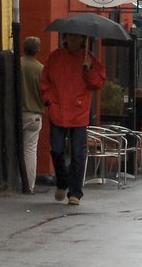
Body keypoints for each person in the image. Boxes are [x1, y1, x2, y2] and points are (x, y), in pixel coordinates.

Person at [40, 33, 106, 206]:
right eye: (72, 37)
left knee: (78, 154)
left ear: (83, 40)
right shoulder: (55, 57)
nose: (75, 41)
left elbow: (97, 84)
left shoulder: (88, 59)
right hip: (58, 110)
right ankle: (62, 182)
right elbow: (45, 81)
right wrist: (49, 100)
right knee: (57, 150)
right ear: (66, 38)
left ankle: (75, 192)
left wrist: (88, 69)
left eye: (78, 38)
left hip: (78, 112)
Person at [20, 36, 45, 194]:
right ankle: (29, 185)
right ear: (38, 50)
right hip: (34, 113)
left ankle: (15, 181)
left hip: (17, 113)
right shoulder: (41, 69)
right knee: (30, 150)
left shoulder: (18, 64)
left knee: (15, 147)